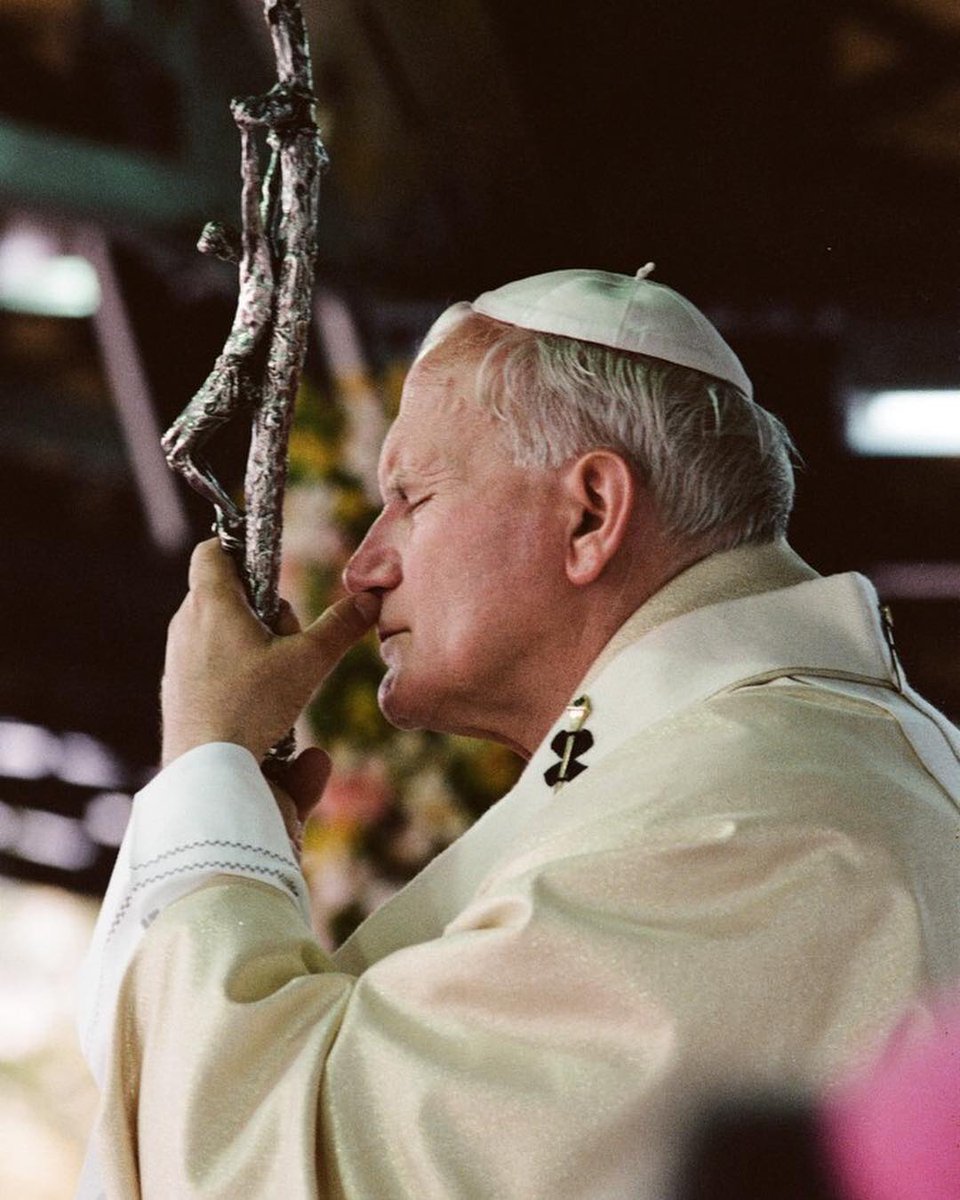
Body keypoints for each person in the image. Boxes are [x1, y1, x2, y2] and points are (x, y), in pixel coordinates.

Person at [76, 267, 960, 1199]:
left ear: (590, 514)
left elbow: (280, 1166)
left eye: (412, 496)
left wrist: (209, 778)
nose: (368, 566)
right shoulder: (751, 766)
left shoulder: (758, 826)